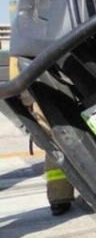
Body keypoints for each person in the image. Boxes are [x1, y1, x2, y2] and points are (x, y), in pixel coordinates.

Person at [9, 56, 75, 215]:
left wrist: (28, 103)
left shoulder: (23, 38)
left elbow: (17, 77)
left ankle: (60, 197)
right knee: (57, 146)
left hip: (46, 93)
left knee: (56, 147)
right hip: (61, 89)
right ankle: (60, 196)